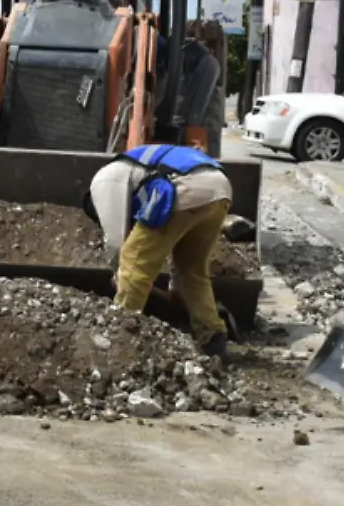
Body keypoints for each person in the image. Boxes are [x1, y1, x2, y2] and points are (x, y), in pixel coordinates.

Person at [83, 144, 232, 358]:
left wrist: (118, 272)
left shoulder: (104, 180)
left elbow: (117, 242)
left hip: (184, 187)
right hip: (219, 189)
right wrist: (176, 287)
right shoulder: (134, 171)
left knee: (134, 261)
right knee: (191, 268)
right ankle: (212, 336)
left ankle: (122, 334)